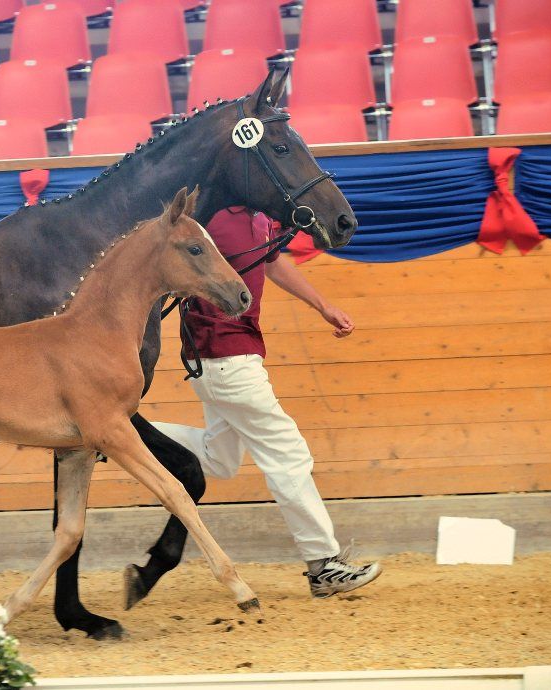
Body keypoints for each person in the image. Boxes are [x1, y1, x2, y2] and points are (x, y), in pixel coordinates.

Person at [152, 207, 383, 598]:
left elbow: (271, 261)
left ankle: (125, 433)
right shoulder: (213, 217)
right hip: (226, 356)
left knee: (219, 459)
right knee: (287, 452)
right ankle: (323, 564)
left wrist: (323, 306)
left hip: (225, 358)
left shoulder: (258, 216)